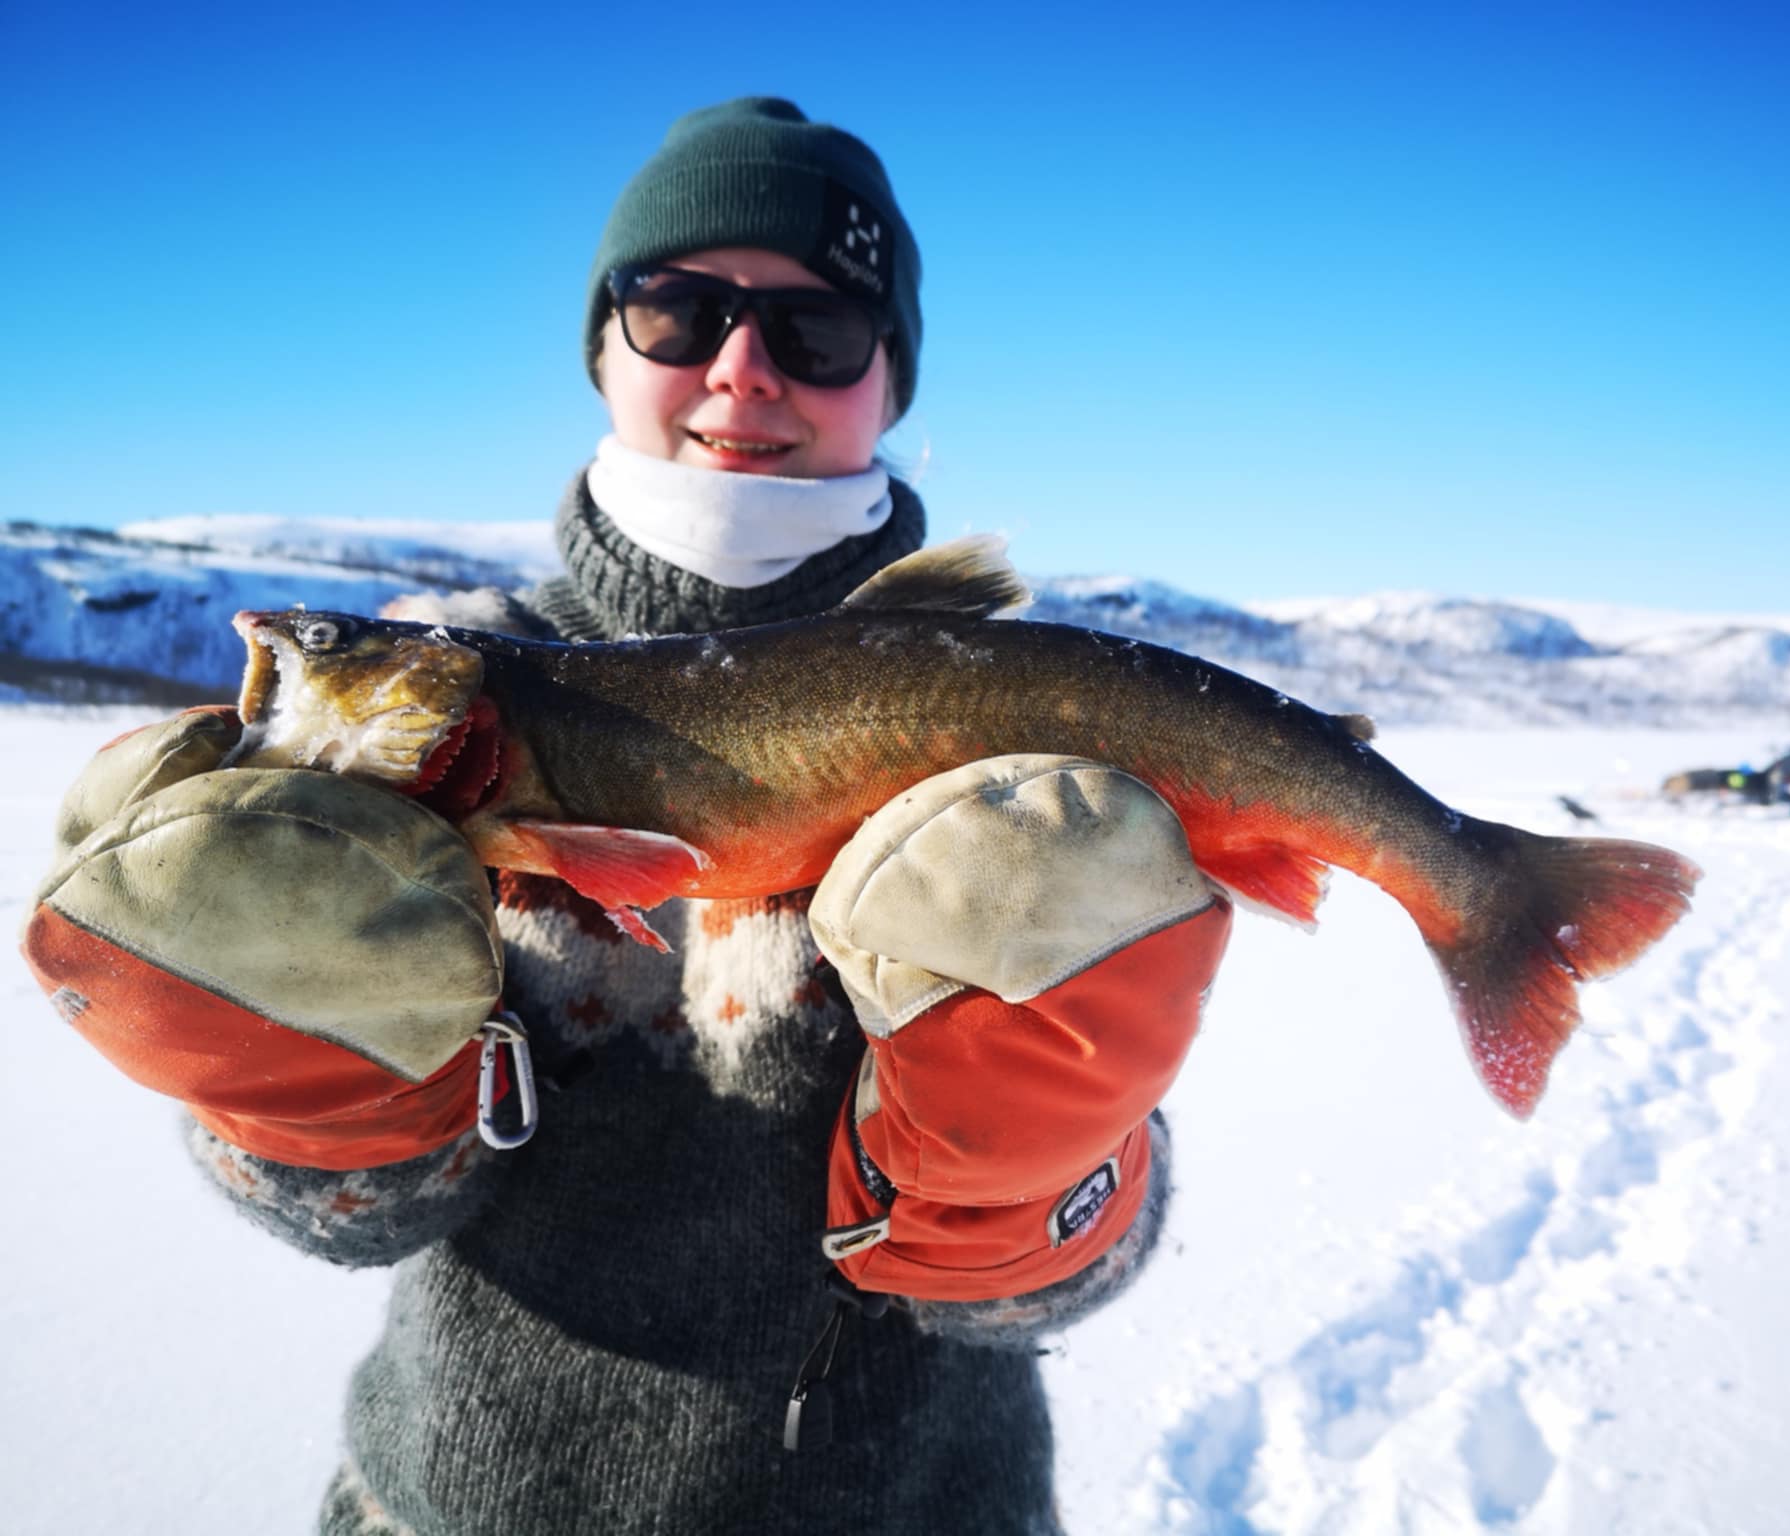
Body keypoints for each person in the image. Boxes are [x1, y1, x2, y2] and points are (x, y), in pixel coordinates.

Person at [23, 97, 1232, 1534]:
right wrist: (299, 1101)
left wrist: (1032, 1185)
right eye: (677, 311)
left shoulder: (1017, 717)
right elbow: (362, 1222)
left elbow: (1086, 1270)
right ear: (603, 345)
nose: (742, 370)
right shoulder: (454, 682)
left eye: (818, 331)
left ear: (890, 381)